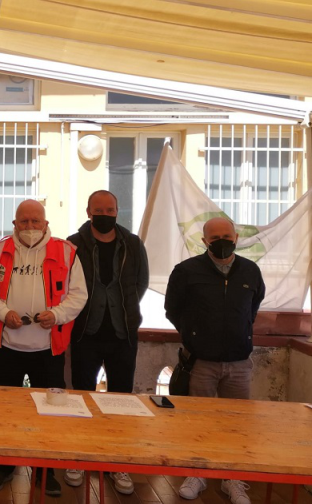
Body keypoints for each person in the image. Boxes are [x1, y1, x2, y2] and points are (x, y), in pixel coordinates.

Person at [0, 199, 87, 494]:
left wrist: (57, 314)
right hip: (8, 347)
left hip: (48, 350)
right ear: (14, 223)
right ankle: (2, 467)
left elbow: (79, 295)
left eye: (35, 221)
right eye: (23, 221)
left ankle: (45, 472)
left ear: (45, 223)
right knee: (4, 411)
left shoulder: (66, 251)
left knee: (50, 414)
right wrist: (3, 313)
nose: (29, 226)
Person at [165, 217, 265, 504]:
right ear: (204, 241)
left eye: (227, 237)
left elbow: (253, 307)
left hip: (239, 362)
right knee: (199, 423)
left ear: (236, 237)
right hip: (201, 362)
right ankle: (197, 473)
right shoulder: (186, 271)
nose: (222, 242)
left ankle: (232, 479)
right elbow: (172, 309)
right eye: (215, 238)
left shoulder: (250, 270)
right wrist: (195, 336)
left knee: (236, 424)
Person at [64, 190, 149, 494]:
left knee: (121, 400)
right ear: (88, 212)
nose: (104, 214)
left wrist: (121, 306)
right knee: (82, 398)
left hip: (122, 334)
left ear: (117, 211)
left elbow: (141, 282)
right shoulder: (72, 244)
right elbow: (66, 284)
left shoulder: (133, 244)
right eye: (98, 210)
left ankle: (117, 462)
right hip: (85, 333)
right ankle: (79, 457)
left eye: (110, 209)